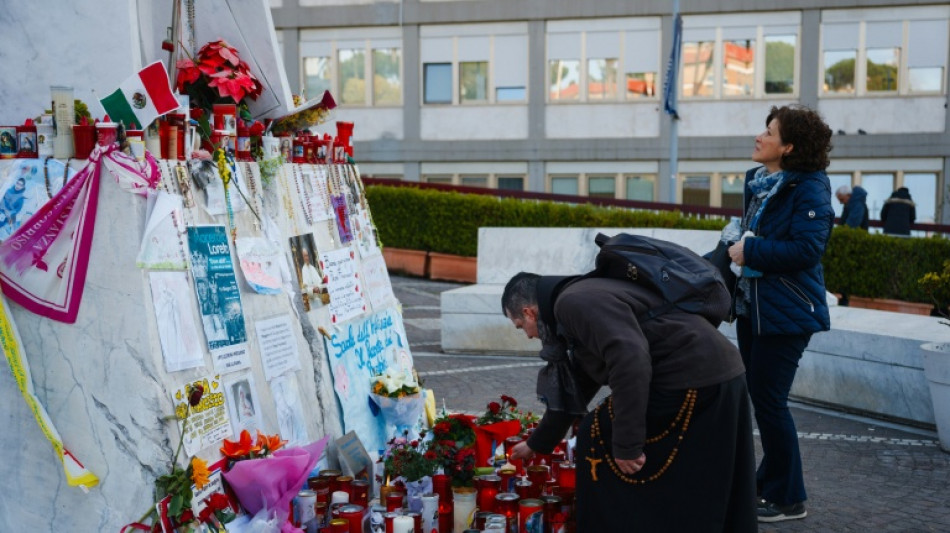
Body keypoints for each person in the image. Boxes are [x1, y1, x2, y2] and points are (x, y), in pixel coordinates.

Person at [502, 272, 757, 532]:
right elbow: (580, 381)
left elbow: (629, 359)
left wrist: (627, 445)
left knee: (595, 436)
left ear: (530, 312)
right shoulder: (576, 297)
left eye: (522, 327)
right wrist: (537, 443)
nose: (529, 336)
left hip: (693, 376)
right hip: (713, 370)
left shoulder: (572, 303)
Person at [727, 105, 834, 523]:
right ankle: (768, 482)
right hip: (754, 307)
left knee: (770, 402)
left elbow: (808, 250)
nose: (759, 136)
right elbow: (747, 233)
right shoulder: (761, 182)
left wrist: (750, 249)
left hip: (787, 309)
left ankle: (788, 497)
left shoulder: (810, 188)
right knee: (763, 399)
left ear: (788, 147)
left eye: (768, 132)